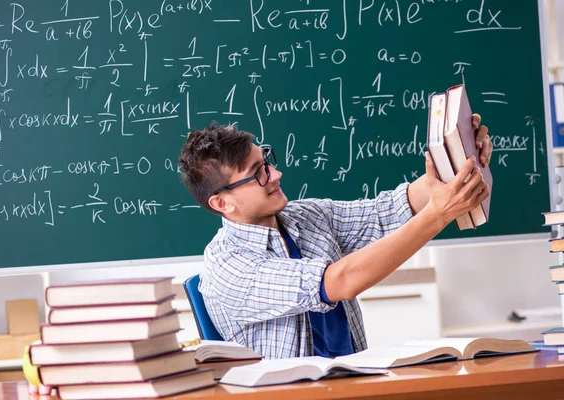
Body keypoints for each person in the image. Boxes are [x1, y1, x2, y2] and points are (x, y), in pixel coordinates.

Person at [178, 116, 493, 359]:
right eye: (258, 172)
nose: (275, 175)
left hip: (352, 385)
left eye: (268, 162)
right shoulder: (227, 267)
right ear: (222, 202)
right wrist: (438, 214)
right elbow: (338, 282)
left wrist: (459, 165)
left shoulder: (308, 216)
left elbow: (388, 211)